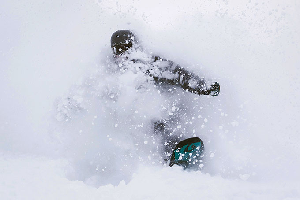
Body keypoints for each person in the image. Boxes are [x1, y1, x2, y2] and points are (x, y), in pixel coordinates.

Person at [110, 30, 220, 168]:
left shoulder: (150, 64)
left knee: (156, 116)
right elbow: (90, 91)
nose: (124, 53)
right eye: (119, 50)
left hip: (158, 113)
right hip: (126, 125)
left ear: (136, 47)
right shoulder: (108, 73)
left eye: (127, 48)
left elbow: (177, 74)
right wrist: (77, 106)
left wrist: (203, 86)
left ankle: (175, 151)